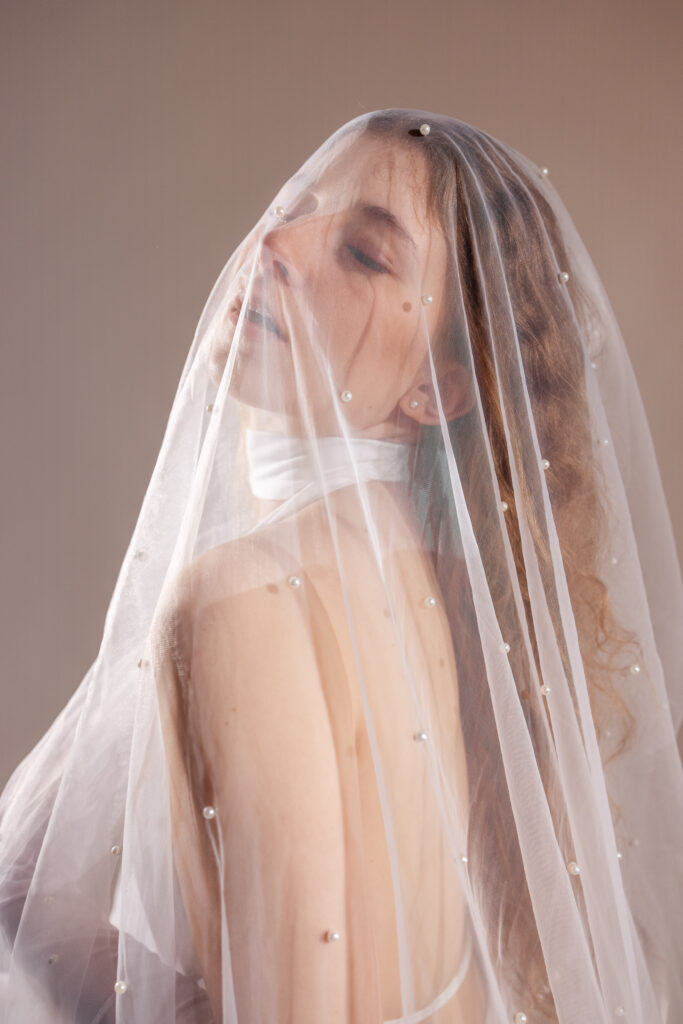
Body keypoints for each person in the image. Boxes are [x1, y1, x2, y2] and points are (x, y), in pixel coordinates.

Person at [1, 108, 682, 1024]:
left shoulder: (242, 601)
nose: (272, 244)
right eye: (293, 208)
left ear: (437, 387)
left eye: (363, 254)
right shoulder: (435, 577)